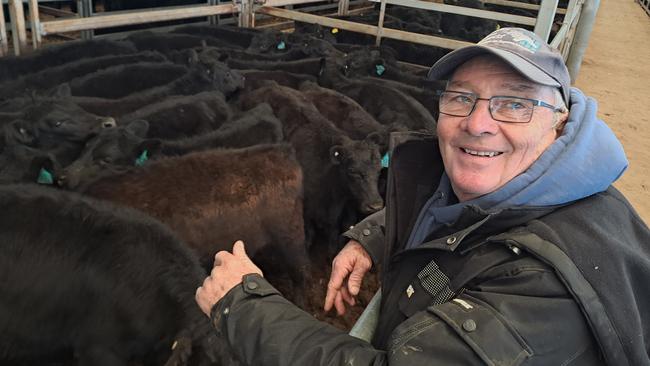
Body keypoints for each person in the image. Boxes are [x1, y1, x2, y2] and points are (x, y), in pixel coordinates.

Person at [195, 27, 650, 365]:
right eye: (462, 97)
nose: (478, 122)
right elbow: (452, 211)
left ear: (561, 119)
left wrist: (244, 304)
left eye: (515, 103)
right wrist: (373, 237)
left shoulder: (550, 288)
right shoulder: (527, 188)